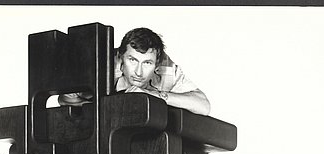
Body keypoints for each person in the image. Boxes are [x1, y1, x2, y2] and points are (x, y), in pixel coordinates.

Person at [58, 27, 211, 116]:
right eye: (132, 60)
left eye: (147, 63)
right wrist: (110, 104)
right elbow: (65, 99)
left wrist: (153, 95)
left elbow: (204, 105)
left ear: (156, 64)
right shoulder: (102, 65)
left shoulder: (167, 68)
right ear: (121, 57)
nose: (139, 72)